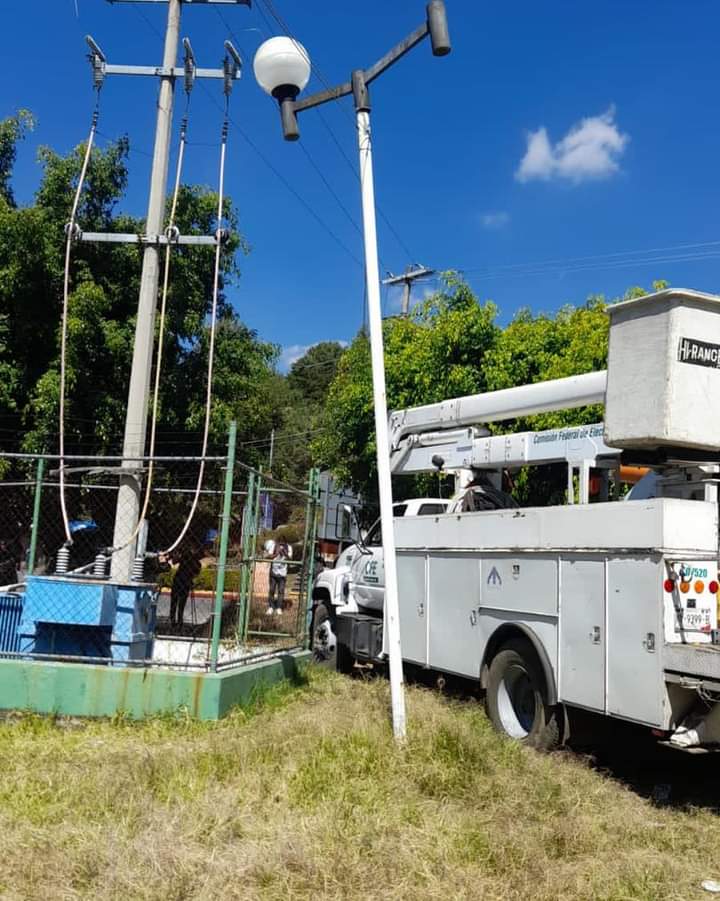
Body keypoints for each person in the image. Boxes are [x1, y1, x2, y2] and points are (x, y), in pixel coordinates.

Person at [169, 542, 203, 630]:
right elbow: (196, 573)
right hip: (183, 581)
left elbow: (174, 561)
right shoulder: (189, 559)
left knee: (176, 602)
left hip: (181, 581)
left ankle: (176, 622)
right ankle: (176, 622)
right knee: (178, 603)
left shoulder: (190, 559)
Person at [267, 539, 290, 616]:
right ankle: (271, 607)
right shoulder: (273, 546)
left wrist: (284, 553)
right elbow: (269, 556)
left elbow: (290, 558)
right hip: (273, 572)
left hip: (283, 574)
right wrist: (276, 554)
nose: (281, 544)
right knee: (272, 590)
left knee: (281, 591)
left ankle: (278, 607)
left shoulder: (289, 547)